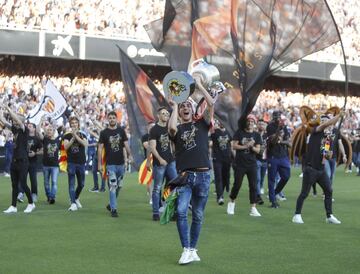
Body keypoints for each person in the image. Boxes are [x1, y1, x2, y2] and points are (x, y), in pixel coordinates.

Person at [168, 76, 214, 265]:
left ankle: (193, 249)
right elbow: (170, 127)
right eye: (182, 106)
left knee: (198, 215)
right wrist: (174, 106)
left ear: (193, 108)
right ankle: (186, 248)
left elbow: (211, 103)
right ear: (179, 112)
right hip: (186, 176)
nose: (185, 108)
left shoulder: (202, 123)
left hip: (203, 175)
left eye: (188, 105)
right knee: (180, 211)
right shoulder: (177, 128)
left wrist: (199, 86)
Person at [292, 113, 344, 224]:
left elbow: (326, 155)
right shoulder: (316, 130)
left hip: (321, 170)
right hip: (311, 169)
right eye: (323, 120)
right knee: (304, 193)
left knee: (329, 191)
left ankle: (329, 216)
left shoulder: (327, 138)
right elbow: (327, 124)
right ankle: (297, 215)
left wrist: (329, 154)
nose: (325, 122)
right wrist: (339, 115)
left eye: (327, 120)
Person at [0, 105, 35, 213]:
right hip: (14, 162)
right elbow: (4, 121)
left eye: (18, 118)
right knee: (14, 185)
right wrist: (1, 111)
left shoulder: (24, 130)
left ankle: (31, 203)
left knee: (23, 184)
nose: (16, 119)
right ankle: (13, 206)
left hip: (23, 162)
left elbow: (18, 121)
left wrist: (9, 109)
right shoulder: (15, 129)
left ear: (22, 120)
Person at [98, 111, 133, 217]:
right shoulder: (104, 133)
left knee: (119, 186)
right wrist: (100, 164)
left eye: (114, 117)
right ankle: (114, 209)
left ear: (116, 119)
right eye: (110, 118)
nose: (112, 119)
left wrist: (130, 155)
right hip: (110, 164)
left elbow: (126, 145)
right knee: (113, 186)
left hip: (121, 163)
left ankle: (111, 204)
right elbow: (100, 149)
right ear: (107, 119)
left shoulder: (121, 131)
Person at [227, 114, 262, 217]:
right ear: (246, 122)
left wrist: (252, 147)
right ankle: (231, 202)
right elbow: (234, 145)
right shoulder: (240, 132)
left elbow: (258, 150)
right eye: (249, 121)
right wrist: (246, 146)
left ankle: (253, 208)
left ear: (254, 123)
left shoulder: (256, 135)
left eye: (252, 122)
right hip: (240, 164)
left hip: (252, 164)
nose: (250, 123)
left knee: (254, 186)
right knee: (237, 185)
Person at [147, 107, 177, 221]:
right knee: (157, 188)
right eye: (163, 113)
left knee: (174, 186)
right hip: (159, 164)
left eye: (167, 114)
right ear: (158, 115)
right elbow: (152, 148)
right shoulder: (154, 130)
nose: (166, 115)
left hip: (170, 162)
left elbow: (172, 144)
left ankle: (171, 210)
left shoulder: (169, 128)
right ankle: (155, 212)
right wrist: (159, 160)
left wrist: (173, 155)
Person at [266, 111, 291, 208]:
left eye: (279, 116)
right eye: (276, 116)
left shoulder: (284, 127)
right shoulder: (270, 127)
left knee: (286, 176)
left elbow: (288, 142)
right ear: (273, 117)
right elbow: (273, 141)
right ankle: (273, 201)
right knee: (271, 179)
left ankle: (275, 192)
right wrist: (278, 131)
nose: (277, 118)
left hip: (283, 155)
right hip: (273, 156)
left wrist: (282, 141)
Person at [63, 116, 88, 211]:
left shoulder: (83, 134)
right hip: (71, 162)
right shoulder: (67, 135)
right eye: (72, 123)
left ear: (78, 124)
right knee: (72, 184)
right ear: (70, 125)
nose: (74, 124)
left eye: (75, 123)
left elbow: (85, 144)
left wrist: (76, 136)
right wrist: (73, 138)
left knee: (82, 184)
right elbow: (66, 147)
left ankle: (76, 197)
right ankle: (73, 203)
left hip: (81, 162)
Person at [37, 120, 60, 204]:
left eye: (50, 130)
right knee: (46, 183)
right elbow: (38, 131)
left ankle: (52, 197)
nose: (49, 131)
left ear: (54, 132)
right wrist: (41, 120)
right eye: (47, 130)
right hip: (46, 165)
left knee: (54, 182)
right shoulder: (45, 140)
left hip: (55, 166)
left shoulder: (58, 141)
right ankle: (49, 196)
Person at [210, 119, 232, 205]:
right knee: (218, 177)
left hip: (227, 158)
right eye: (220, 121)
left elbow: (231, 145)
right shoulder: (215, 131)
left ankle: (222, 192)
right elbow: (209, 138)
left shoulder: (229, 132)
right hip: (217, 158)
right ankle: (220, 196)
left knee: (225, 177)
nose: (222, 123)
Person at [25, 122, 42, 202]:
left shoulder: (37, 139)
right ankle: (21, 194)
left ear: (34, 129)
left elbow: (42, 150)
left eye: (30, 126)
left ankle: (34, 194)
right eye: (28, 126)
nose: (29, 127)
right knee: (22, 179)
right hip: (24, 161)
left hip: (33, 162)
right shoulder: (24, 137)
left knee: (33, 179)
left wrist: (35, 153)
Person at [255, 119, 267, 204]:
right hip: (256, 159)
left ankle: (260, 188)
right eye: (259, 124)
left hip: (265, 160)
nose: (261, 126)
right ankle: (258, 195)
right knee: (258, 178)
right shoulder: (254, 135)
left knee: (262, 178)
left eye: (262, 124)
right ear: (257, 125)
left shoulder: (267, 135)